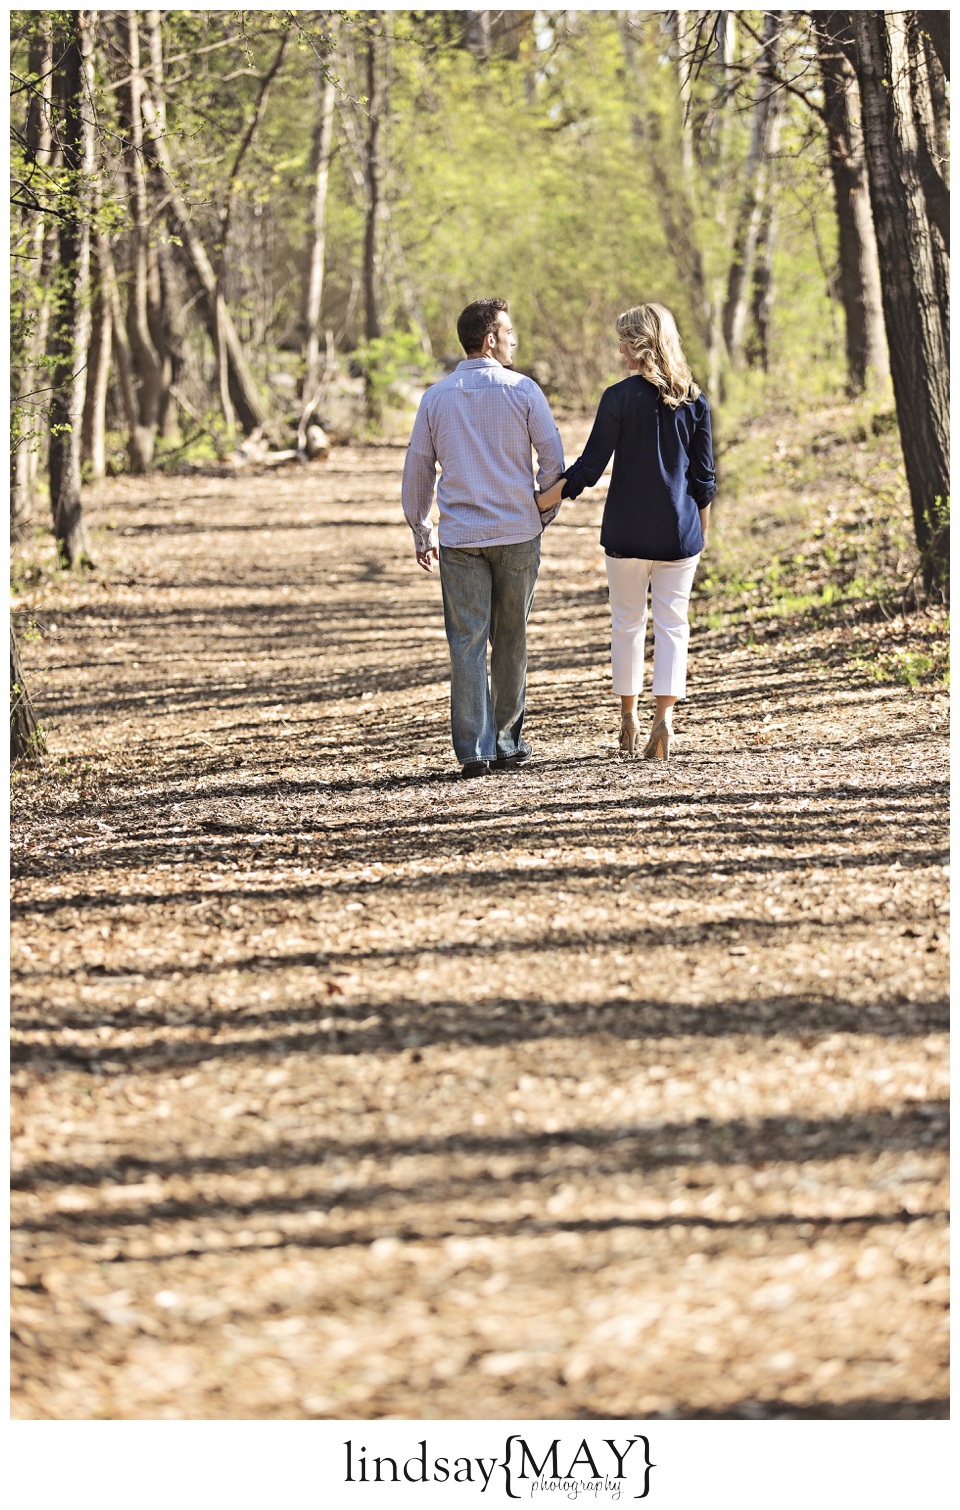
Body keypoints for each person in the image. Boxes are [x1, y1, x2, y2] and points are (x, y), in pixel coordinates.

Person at [537, 302, 716, 760]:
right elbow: (704, 481)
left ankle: (629, 716)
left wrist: (542, 500)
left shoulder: (617, 397)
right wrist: (702, 534)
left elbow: (589, 469)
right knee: (674, 625)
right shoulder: (695, 400)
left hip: (626, 534)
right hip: (680, 534)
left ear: (637, 345)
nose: (618, 348)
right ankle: (665, 721)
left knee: (627, 624)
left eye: (623, 339)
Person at [402, 298, 565, 778]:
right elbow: (552, 461)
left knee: (467, 642)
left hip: (461, 539)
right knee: (512, 638)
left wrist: (421, 528)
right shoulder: (524, 390)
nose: (514, 340)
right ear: (490, 339)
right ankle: (508, 742)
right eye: (509, 332)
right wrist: (542, 512)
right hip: (517, 534)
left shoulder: (436, 397)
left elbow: (418, 469)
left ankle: (475, 751)